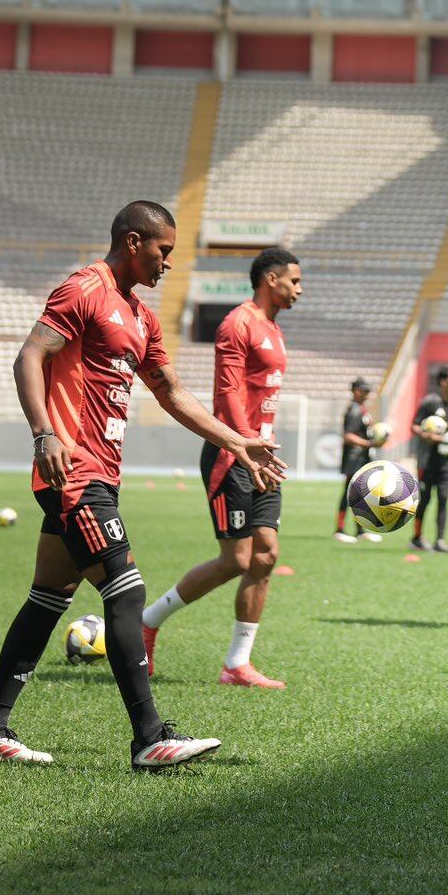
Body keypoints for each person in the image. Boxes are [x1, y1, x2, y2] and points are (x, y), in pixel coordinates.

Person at [0, 201, 278, 770]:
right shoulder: (83, 289)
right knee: (126, 589)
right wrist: (44, 434)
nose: (168, 264)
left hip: (100, 472)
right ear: (133, 242)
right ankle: (150, 737)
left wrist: (235, 440)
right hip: (72, 468)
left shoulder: (141, 317)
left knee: (49, 597)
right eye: (163, 251)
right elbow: (29, 355)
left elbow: (173, 393)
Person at [140, 246, 301, 688]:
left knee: (266, 555)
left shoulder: (273, 327)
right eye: (294, 281)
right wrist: (246, 447)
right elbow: (227, 394)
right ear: (271, 279)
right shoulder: (239, 323)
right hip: (232, 455)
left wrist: (262, 449)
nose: (299, 290)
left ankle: (237, 665)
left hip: (262, 455)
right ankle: (148, 622)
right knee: (237, 559)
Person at [410, 366, 448, 553]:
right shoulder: (429, 402)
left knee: (443, 499)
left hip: (446, 462)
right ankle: (417, 537)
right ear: (443, 382)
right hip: (427, 461)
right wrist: (426, 434)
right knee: (424, 499)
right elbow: (414, 426)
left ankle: (440, 540)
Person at [335, 376, 380, 543]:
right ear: (356, 391)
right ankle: (339, 529)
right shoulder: (354, 410)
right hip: (353, 459)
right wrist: (369, 443)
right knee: (349, 493)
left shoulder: (362, 409)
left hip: (361, 458)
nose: (368, 394)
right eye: (365, 391)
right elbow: (348, 436)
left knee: (361, 495)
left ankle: (360, 530)